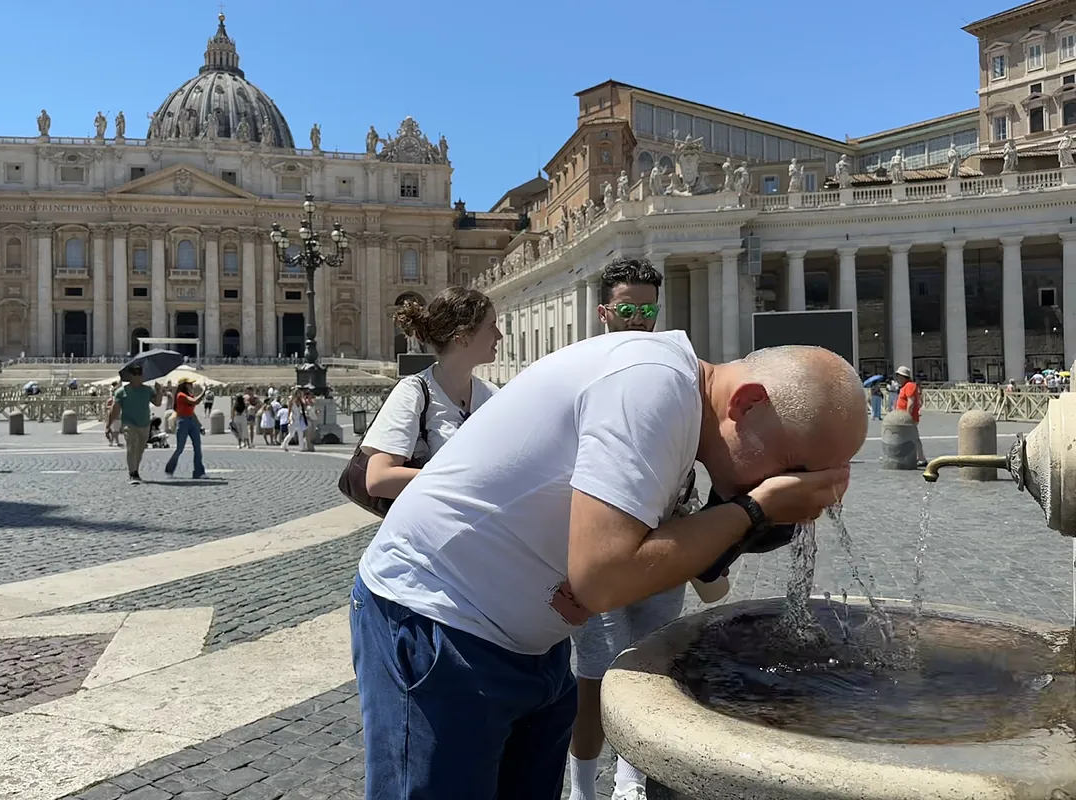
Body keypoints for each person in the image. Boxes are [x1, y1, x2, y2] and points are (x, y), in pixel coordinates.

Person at [350, 336, 867, 800]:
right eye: (797, 469)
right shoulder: (651, 385)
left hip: (529, 646)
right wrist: (756, 507)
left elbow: (617, 560)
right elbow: (604, 578)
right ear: (747, 402)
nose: (803, 489)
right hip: (438, 625)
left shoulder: (677, 404)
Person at [568, 259, 681, 800]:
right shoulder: (579, 369)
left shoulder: (675, 366)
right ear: (605, 312)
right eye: (628, 309)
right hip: (598, 541)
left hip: (664, 543)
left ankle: (630, 781)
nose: (639, 319)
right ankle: (585, 792)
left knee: (650, 668)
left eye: (648, 309)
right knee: (593, 678)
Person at [362, 287, 501, 501]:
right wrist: (468, 481)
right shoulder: (413, 393)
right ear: (463, 337)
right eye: (491, 326)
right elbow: (379, 478)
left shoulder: (493, 395)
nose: (499, 335)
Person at [105, 364, 162, 485]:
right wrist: (108, 426)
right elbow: (114, 410)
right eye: (135, 373)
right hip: (129, 423)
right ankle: (133, 473)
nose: (138, 376)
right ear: (130, 376)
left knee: (140, 449)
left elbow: (157, 403)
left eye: (140, 373)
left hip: (145, 424)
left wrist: (159, 391)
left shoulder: (147, 390)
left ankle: (135, 469)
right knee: (132, 445)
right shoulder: (121, 392)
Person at [164, 379, 207, 479]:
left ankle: (199, 472)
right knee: (180, 448)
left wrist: (200, 426)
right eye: (190, 384)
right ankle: (169, 468)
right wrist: (203, 391)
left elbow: (192, 412)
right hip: (183, 422)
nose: (192, 385)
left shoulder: (188, 396)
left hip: (191, 421)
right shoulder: (181, 395)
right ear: (184, 385)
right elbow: (195, 401)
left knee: (197, 447)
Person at [893, 364, 926, 467]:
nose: (897, 378)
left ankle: (921, 458)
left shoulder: (909, 386)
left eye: (898, 376)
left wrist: (907, 417)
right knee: (905, 437)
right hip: (903, 417)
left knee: (913, 438)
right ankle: (902, 457)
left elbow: (911, 402)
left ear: (903, 377)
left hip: (908, 417)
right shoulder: (904, 386)